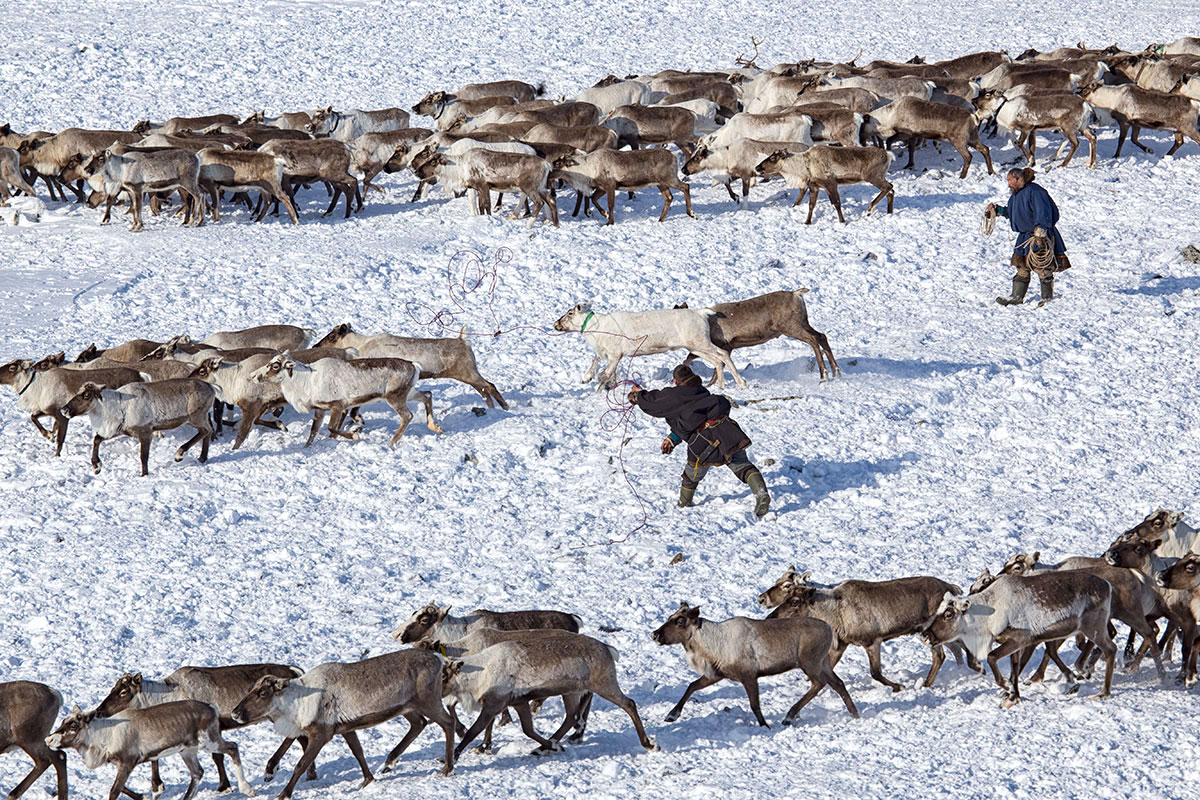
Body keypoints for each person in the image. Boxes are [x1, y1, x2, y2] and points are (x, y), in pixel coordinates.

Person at [628, 364, 771, 517]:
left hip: (704, 441)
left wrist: (638, 395)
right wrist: (671, 439)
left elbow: (655, 401)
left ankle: (683, 505)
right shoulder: (701, 391)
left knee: (691, 474)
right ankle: (761, 494)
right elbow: (689, 419)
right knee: (742, 465)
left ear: (675, 381)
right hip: (727, 432)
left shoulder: (676, 395)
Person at [988, 167, 1071, 306]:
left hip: (1039, 235)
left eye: (1010, 180)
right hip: (1024, 237)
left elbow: (1043, 210)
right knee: (1022, 267)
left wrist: (1041, 229)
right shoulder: (1016, 195)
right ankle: (1017, 296)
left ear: (1019, 179)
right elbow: (1014, 212)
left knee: (1043, 266)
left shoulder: (1035, 191)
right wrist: (998, 211)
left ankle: (1047, 297)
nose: (1008, 184)